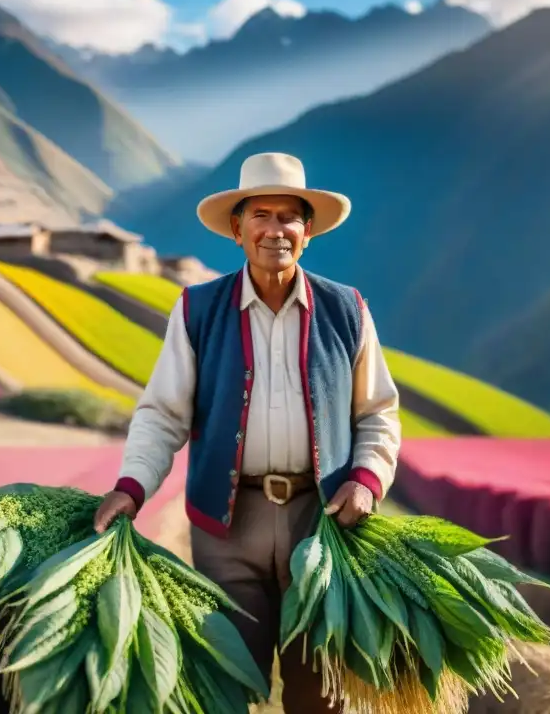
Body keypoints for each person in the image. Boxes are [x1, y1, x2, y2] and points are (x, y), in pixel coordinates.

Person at [93, 151, 401, 712]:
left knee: (320, 692)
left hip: (321, 525)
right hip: (227, 525)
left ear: (308, 230)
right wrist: (131, 487)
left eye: (289, 217)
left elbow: (378, 411)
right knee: (226, 684)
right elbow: (163, 413)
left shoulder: (347, 310)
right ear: (238, 228)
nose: (275, 230)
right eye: (261, 215)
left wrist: (366, 481)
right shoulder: (198, 310)